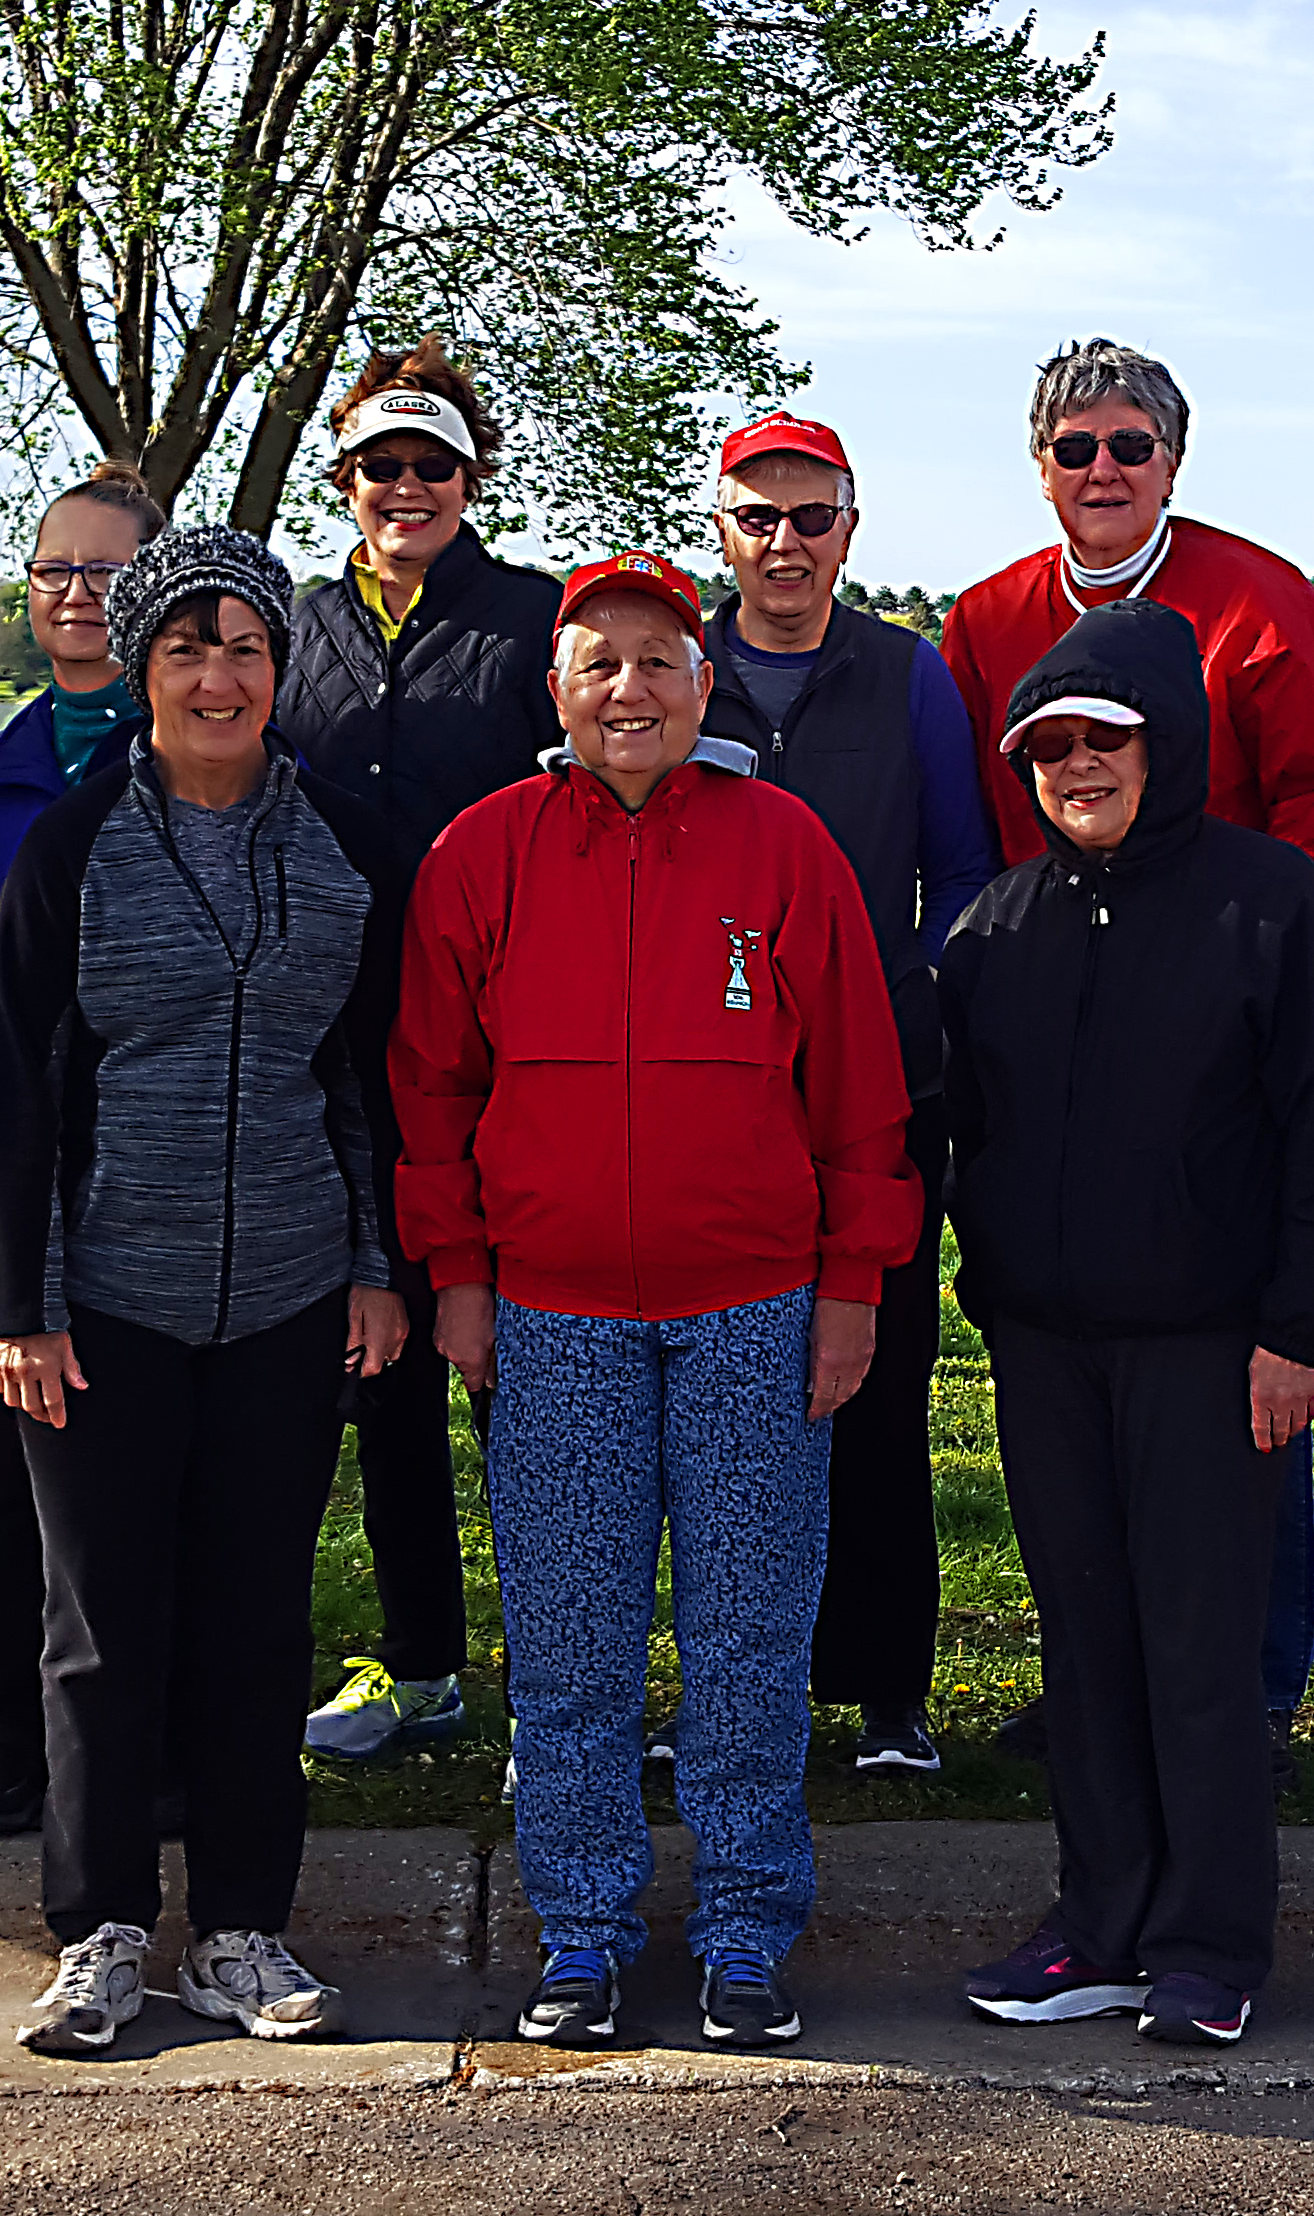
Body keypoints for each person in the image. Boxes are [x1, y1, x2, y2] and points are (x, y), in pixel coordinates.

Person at [394, 551, 918, 2050]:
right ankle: (581, 1933)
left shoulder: (784, 848)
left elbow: (861, 1096)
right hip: (551, 1311)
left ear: (706, 684)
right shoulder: (482, 854)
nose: (631, 689)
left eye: (659, 662)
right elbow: (432, 1089)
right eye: (599, 662)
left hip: (755, 1304)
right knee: (571, 1642)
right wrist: (459, 1274)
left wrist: (852, 1286)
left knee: (750, 1637)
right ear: (555, 688)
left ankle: (749, 1931)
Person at [940, 598, 1314, 2047]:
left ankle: (1210, 1938)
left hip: (1221, 1349)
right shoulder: (996, 925)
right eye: (1052, 746)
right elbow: (952, 1127)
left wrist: (1301, 1330)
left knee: (1199, 1648)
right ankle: (1101, 1919)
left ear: (1170, 742)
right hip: (1048, 1346)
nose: (1079, 766)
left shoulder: (1271, 907)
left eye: (1107, 739)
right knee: (1084, 1644)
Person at [0, 525, 410, 2055]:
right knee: (100, 1622)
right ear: (142, 667)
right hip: (100, 1305)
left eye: (244, 648)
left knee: (254, 1621)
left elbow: (366, 1080)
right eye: (185, 648)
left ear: (279, 671)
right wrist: (18, 1299)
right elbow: (17, 1091)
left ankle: (240, 1926)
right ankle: (96, 1926)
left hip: (292, 1293)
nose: (216, 675)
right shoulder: (73, 845)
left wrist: (375, 1268)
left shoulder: (347, 844)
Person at [944, 338, 1314, 1783]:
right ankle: (1093, 1680)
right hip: (1057, 1016)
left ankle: (1250, 1689)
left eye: (1129, 445)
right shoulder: (985, 620)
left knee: (1240, 1365)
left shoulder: (1262, 608)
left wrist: (1252, 962)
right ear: (1040, 465)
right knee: (1072, 1405)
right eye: (1075, 448)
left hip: (1230, 1017)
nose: (1102, 472)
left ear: (1174, 461)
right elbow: (972, 818)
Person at [274, 340, 562, 1762]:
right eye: (381, 464)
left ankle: (553, 1675)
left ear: (472, 476)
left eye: (432, 463)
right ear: (346, 478)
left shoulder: (534, 619)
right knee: (378, 1355)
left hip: (511, 1040)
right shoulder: (298, 622)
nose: (406, 486)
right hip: (339, 1039)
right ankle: (421, 1659)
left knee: (522, 1368)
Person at [701, 411, 997, 1778]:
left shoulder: (907, 676)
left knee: (871, 1377)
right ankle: (719, 1685)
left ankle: (886, 1688)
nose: (785, 544)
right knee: (702, 1396)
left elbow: (967, 875)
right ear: (723, 528)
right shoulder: (673, 665)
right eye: (759, 517)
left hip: (878, 1085)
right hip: (701, 1086)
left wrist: (900, 1004)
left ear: (850, 531)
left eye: (810, 519)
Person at [0, 461, 169, 1839]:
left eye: (109, 573)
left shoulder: (222, 751)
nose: (79, 597)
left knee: (170, 1498)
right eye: (55, 572)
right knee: (17, 1480)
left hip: (190, 1191)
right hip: (28, 1190)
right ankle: (19, 1749)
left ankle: (165, 1754)